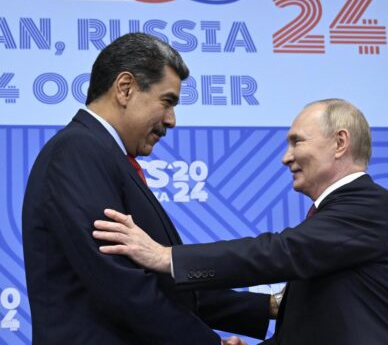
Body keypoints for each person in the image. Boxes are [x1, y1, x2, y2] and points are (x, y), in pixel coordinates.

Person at [93, 99, 388, 344]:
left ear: (340, 143)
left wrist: (167, 258)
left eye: (297, 141)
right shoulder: (333, 217)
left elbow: (280, 252)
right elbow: (315, 326)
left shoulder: (368, 206)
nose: (285, 156)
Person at [22, 33, 270, 344]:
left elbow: (160, 282)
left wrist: (267, 307)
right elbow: (119, 284)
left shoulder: (102, 154)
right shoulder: (78, 150)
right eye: (167, 101)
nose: (172, 120)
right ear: (125, 88)